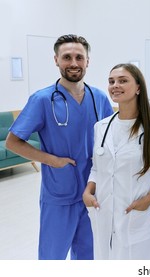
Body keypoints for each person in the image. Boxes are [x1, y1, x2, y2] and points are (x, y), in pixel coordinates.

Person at [5, 34, 113, 260]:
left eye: (79, 57)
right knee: (51, 258)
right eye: (67, 57)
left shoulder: (99, 98)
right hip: (59, 194)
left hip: (93, 192)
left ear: (87, 61)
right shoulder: (42, 100)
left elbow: (111, 137)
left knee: (89, 255)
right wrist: (51, 160)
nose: (73, 63)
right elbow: (13, 142)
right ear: (56, 60)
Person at [82, 63, 150, 260]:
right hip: (102, 211)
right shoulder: (101, 127)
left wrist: (147, 201)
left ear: (138, 88)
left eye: (122, 80)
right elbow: (96, 167)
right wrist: (88, 190)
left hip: (134, 214)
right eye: (111, 81)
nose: (115, 85)